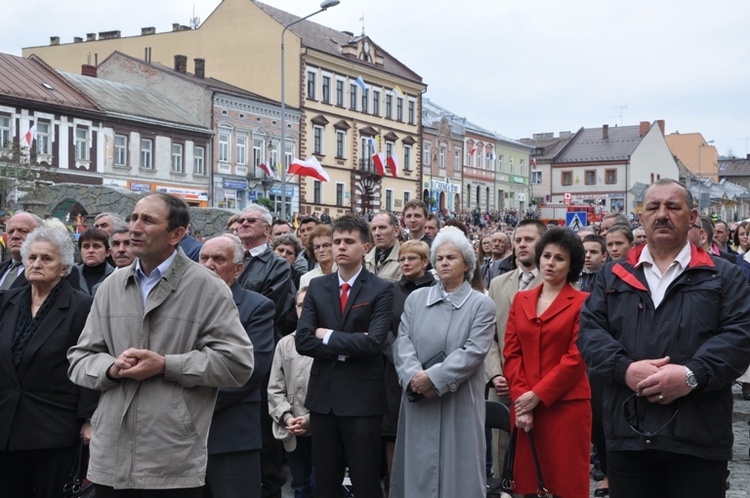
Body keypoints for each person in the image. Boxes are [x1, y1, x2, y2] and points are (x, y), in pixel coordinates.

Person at [67, 192, 255, 496]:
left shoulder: (208, 288)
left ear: (176, 234)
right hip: (109, 457)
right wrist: (111, 368)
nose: (135, 228)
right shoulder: (111, 285)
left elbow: (237, 364)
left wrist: (167, 365)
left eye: (148, 220)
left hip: (171, 460)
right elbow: (80, 359)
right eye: (133, 219)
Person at [578, 179, 750, 497]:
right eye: (654, 207)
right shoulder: (613, 274)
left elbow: (740, 337)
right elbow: (589, 333)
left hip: (699, 437)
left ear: (692, 216)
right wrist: (624, 369)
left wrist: (691, 375)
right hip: (628, 435)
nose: (662, 214)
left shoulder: (724, 275)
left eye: (673, 206)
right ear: (641, 216)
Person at [389, 227, 496, 498]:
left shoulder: (481, 304)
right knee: (417, 470)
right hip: (418, 400)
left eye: (452, 257)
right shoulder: (416, 299)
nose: (444, 262)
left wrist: (432, 379)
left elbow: (473, 352)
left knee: (457, 471)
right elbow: (402, 342)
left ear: (467, 264)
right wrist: (414, 376)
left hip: (457, 401)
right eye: (440, 258)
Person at [295, 215, 394, 498]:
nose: (340, 247)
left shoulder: (381, 289)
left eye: (348, 241)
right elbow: (302, 341)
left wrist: (325, 335)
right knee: (325, 482)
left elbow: (374, 343)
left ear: (365, 246)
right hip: (324, 399)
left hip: (362, 400)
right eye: (337, 241)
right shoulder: (317, 287)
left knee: (365, 480)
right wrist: (352, 342)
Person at [0, 227, 96, 498]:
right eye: (31, 258)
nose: (36, 264)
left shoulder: (82, 307)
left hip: (53, 426)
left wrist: (89, 419)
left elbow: (88, 363)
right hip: (7, 424)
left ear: (64, 267)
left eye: (46, 259)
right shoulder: (7, 301)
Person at [504, 227, 592, 498]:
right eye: (546, 256)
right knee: (528, 485)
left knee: (566, 485)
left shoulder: (583, 303)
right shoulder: (521, 299)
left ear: (572, 265)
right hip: (525, 406)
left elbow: (576, 357)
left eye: (559, 258)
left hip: (566, 407)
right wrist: (523, 401)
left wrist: (537, 396)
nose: (550, 263)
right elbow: (512, 353)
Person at [199, 235, 275, 498]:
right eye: (204, 258)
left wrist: (196, 400)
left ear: (238, 269)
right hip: (181, 436)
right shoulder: (181, 304)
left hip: (231, 436)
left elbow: (252, 369)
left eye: (218, 259)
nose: (209, 265)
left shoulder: (257, 307)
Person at [382, 240, 436, 481]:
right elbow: (383, 331)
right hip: (394, 371)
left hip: (429, 370)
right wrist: (402, 361)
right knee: (393, 432)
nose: (405, 263)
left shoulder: (438, 288)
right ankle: (395, 487)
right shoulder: (390, 290)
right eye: (402, 259)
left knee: (427, 432)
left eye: (411, 258)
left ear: (425, 262)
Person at [268, 287, 315, 498]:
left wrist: (309, 419)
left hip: (321, 427)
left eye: (308, 304)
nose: (303, 309)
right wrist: (287, 417)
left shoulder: (329, 341)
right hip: (292, 427)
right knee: (301, 484)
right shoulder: (285, 344)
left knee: (322, 482)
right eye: (299, 305)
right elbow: (275, 388)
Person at [0, 212, 43, 292]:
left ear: (40, 235)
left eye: (23, 231)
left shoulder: (47, 272)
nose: (14, 236)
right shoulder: (2, 268)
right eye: (11, 231)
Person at [364, 211, 402, 282]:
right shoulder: (364, 260)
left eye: (382, 227)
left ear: (396, 231)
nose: (377, 233)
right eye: (374, 229)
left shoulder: (405, 260)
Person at [76, 227, 115, 295]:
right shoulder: (72, 275)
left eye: (96, 246)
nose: (90, 251)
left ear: (108, 252)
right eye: (86, 246)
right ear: (80, 251)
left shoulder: (115, 276)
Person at [299, 224, 336, 289]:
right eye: (317, 247)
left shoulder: (345, 273)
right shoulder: (306, 279)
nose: (321, 250)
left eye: (326, 245)